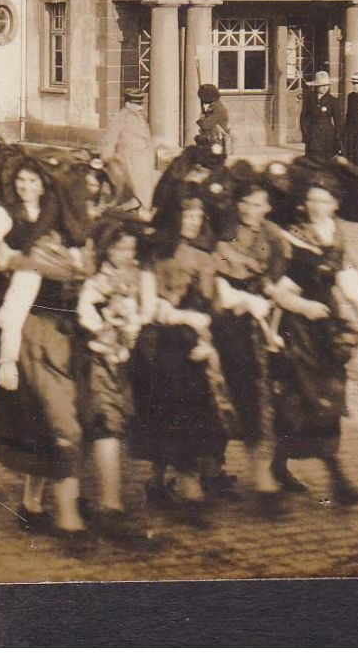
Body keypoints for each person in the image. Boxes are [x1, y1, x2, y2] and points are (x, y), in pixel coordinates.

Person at [0, 153, 94, 553]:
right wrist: (7, 359)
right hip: (37, 340)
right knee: (60, 422)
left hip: (69, 343)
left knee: (51, 425)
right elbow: (11, 308)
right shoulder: (40, 252)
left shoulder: (75, 251)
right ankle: (67, 516)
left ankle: (33, 502)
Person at [271, 176, 358, 506]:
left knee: (324, 396)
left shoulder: (336, 233)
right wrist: (300, 305)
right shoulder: (290, 235)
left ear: (335, 204)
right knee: (309, 398)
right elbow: (276, 284)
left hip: (325, 325)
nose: (317, 206)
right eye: (312, 200)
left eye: (324, 200)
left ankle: (278, 464)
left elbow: (346, 275)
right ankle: (337, 480)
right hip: (296, 326)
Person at [135, 185, 235, 518]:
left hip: (191, 342)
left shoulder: (204, 257)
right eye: (187, 214)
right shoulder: (153, 252)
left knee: (188, 409)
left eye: (198, 215)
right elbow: (147, 302)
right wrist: (174, 313)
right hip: (157, 341)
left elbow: (210, 305)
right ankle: (168, 480)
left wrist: (203, 332)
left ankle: (175, 479)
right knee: (167, 408)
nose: (193, 221)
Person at [73, 216, 159, 548]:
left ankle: (98, 490)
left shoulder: (141, 276)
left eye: (131, 249)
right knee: (104, 420)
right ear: (108, 249)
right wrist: (103, 325)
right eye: (120, 248)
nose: (126, 254)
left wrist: (132, 322)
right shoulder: (96, 279)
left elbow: (148, 310)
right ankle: (109, 500)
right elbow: (85, 313)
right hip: (99, 358)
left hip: (131, 357)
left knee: (121, 423)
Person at [212, 177, 293, 513]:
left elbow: (275, 282)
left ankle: (263, 477)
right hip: (221, 319)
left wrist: (271, 324)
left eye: (259, 204)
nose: (251, 210)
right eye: (245, 202)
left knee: (255, 397)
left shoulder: (273, 236)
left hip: (255, 325)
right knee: (216, 394)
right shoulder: (223, 231)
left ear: (269, 207)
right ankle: (210, 469)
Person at [99, 86, 156, 217]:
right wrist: (109, 161)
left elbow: (147, 139)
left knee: (142, 197)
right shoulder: (119, 118)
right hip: (128, 163)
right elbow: (109, 140)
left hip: (143, 164)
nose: (140, 107)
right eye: (137, 104)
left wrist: (150, 158)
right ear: (128, 104)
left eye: (141, 104)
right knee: (134, 195)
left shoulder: (141, 119)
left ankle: (135, 214)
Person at [299, 71, 341, 161]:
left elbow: (338, 122)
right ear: (316, 86)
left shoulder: (333, 101)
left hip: (328, 137)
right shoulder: (309, 99)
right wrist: (305, 134)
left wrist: (337, 139)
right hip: (312, 135)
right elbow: (303, 118)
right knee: (312, 161)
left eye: (326, 85)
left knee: (326, 163)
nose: (324, 88)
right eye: (321, 85)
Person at [195, 83, 231, 153]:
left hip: (215, 144)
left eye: (202, 98)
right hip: (211, 142)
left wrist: (201, 119)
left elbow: (206, 125)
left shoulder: (218, 109)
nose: (202, 100)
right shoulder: (213, 107)